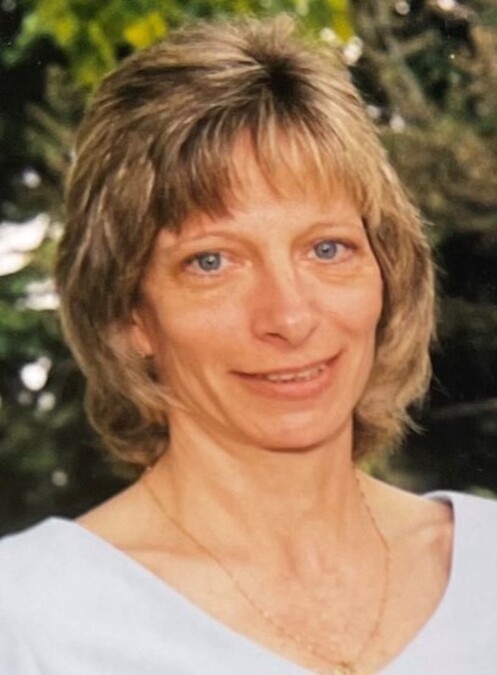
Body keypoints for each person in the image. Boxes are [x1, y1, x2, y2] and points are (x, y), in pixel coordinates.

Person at [1, 15, 496, 675]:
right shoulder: (28, 621)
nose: (289, 317)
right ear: (129, 314)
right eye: (212, 262)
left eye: (327, 249)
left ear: (387, 273)